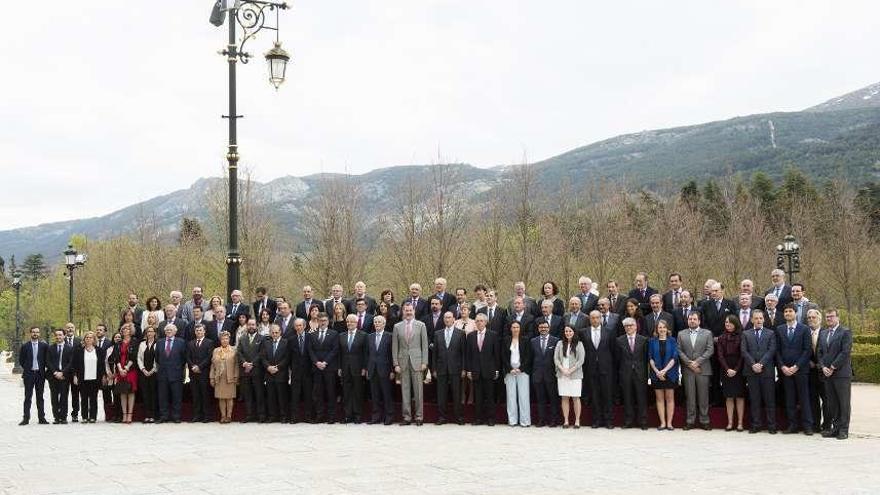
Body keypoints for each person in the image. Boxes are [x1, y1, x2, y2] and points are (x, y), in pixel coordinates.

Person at [776, 303, 813, 434]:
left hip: (801, 370)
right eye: (785, 311)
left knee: (804, 398)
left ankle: (808, 426)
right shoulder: (779, 329)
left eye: (790, 311)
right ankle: (792, 425)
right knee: (789, 399)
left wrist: (797, 366)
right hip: (785, 371)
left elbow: (807, 350)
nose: (787, 313)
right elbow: (777, 351)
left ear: (795, 313)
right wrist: (782, 366)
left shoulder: (804, 329)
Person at [393, 302, 429, 426]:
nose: (408, 312)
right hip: (403, 362)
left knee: (418, 390)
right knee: (405, 390)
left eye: (410, 310)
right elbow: (394, 347)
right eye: (406, 310)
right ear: (403, 311)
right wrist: (395, 363)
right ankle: (407, 417)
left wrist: (425, 362)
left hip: (417, 362)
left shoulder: (421, 325)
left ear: (414, 311)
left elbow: (424, 345)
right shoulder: (397, 326)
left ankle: (419, 417)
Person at [818, 308, 852, 440]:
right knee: (832, 403)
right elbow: (820, 352)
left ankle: (844, 430)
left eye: (831, 316)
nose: (829, 319)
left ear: (838, 317)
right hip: (827, 374)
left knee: (843, 402)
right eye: (827, 317)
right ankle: (835, 428)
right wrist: (823, 366)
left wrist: (832, 366)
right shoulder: (823, 333)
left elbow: (845, 352)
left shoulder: (845, 332)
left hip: (841, 373)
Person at [741, 310, 777, 434]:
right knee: (754, 399)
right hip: (751, 371)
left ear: (764, 319)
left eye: (761, 318)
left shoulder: (771, 333)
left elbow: (771, 350)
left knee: (769, 399)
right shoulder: (746, 334)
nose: (758, 320)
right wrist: (753, 364)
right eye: (756, 318)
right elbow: (744, 351)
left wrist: (761, 364)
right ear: (752, 320)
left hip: (766, 371)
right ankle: (756, 424)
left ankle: (772, 425)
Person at [677, 311, 714, 430]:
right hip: (688, 370)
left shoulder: (707, 333)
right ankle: (690, 420)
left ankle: (704, 420)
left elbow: (710, 350)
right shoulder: (681, 334)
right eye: (690, 319)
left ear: (699, 321)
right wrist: (689, 363)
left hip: (703, 369)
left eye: (694, 319)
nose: (692, 321)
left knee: (703, 397)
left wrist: (697, 362)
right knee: (690, 396)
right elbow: (679, 350)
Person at [466, 313, 500, 426]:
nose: (479, 323)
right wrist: (469, 370)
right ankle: (478, 419)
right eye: (477, 321)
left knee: (489, 396)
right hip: (475, 371)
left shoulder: (493, 335)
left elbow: (496, 354)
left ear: (486, 322)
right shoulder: (470, 336)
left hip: (489, 370)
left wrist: (496, 370)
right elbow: (468, 355)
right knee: (478, 397)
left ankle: (491, 419)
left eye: (481, 321)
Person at [583, 310, 615, 428]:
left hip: (606, 368)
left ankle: (608, 421)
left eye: (597, 318)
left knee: (607, 395)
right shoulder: (584, 332)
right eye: (592, 318)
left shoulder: (609, 332)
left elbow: (613, 351)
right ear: (589, 319)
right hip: (590, 368)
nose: (595, 320)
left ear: (601, 318)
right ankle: (596, 420)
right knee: (594, 395)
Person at [433, 312, 466, 425]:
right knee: (441, 394)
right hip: (441, 368)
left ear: (454, 319)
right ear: (443, 319)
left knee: (456, 394)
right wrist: (434, 369)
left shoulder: (461, 333)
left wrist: (463, 368)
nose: (447, 319)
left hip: (456, 368)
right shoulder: (438, 333)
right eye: (445, 317)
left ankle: (458, 417)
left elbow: (463, 353)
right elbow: (435, 354)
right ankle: (442, 417)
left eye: (449, 317)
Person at [617, 317, 649, 429]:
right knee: (627, 397)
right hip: (625, 373)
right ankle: (628, 421)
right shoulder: (619, 340)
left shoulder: (643, 340)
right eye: (626, 326)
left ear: (635, 326)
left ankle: (643, 422)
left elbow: (646, 358)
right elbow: (618, 359)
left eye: (631, 325)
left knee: (641, 397)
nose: (629, 327)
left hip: (640, 373)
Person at [648, 319, 679, 430]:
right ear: (657, 329)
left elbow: (674, 358)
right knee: (659, 399)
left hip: (670, 373)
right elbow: (650, 358)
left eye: (664, 327)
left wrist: (664, 371)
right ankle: (662, 423)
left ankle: (669, 423)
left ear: (667, 328)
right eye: (660, 327)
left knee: (670, 398)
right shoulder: (652, 341)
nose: (662, 329)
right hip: (656, 374)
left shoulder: (673, 340)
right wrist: (657, 371)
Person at [717, 315, 745, 431]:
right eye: (726, 322)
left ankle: (740, 423)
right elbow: (720, 355)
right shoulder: (722, 337)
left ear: (735, 323)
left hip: (739, 369)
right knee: (728, 397)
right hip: (726, 369)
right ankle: (730, 422)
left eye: (730, 322)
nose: (727, 324)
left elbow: (743, 355)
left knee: (739, 396)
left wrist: (736, 370)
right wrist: (727, 369)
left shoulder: (742, 336)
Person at [310, 313, 340, 423]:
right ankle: (320, 415)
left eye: (324, 320)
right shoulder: (312, 335)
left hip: (329, 368)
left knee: (330, 392)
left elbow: (335, 350)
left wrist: (325, 362)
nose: (322, 322)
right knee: (318, 393)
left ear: (328, 321)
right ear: (317, 321)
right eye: (320, 320)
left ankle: (331, 416)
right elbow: (310, 350)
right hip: (316, 368)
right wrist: (316, 362)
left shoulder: (334, 334)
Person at [338, 314, 368, 423]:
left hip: (358, 368)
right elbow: (339, 353)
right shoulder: (341, 335)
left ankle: (357, 415)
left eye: (352, 322)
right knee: (346, 392)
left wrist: (364, 367)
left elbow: (366, 353)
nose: (349, 324)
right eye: (348, 322)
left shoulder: (363, 335)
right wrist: (339, 367)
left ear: (356, 323)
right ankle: (347, 415)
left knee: (357, 392)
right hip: (345, 368)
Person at [155, 324, 187, 423]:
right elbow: (157, 358)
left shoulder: (181, 342)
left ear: (175, 331)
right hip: (163, 374)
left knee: (176, 396)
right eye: (167, 330)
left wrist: (177, 368)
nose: (168, 331)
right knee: (162, 396)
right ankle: (164, 416)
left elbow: (183, 358)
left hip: (176, 373)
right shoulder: (159, 342)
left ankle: (176, 416)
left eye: (171, 330)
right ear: (164, 332)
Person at [503, 320, 532, 427]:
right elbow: (503, 356)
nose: (515, 329)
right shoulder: (506, 340)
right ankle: (512, 420)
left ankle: (525, 421)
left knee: (523, 396)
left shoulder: (525, 340)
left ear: (520, 329)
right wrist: (510, 368)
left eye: (517, 327)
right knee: (511, 396)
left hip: (522, 371)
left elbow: (529, 357)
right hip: (510, 371)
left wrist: (521, 368)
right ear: (510, 329)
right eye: (513, 327)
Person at [72, 331, 106, 423]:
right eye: (87, 337)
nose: (88, 339)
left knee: (93, 398)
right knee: (83, 398)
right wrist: (75, 376)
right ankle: (84, 416)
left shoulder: (99, 351)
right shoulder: (79, 351)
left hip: (95, 378)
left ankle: (93, 416)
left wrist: (103, 376)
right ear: (84, 339)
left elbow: (102, 365)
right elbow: (74, 365)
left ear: (94, 339)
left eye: (91, 337)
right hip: (83, 378)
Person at [530, 321, 560, 427]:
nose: (543, 329)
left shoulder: (556, 341)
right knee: (540, 399)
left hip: (551, 375)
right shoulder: (533, 341)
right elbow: (530, 359)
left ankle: (554, 420)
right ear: (538, 328)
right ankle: (541, 420)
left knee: (553, 399)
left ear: (549, 328)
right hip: (537, 375)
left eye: (545, 327)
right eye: (541, 327)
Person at [554, 326, 584, 428]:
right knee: (564, 397)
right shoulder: (559, 343)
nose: (568, 333)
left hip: (575, 375)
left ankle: (577, 421)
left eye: (570, 331)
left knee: (576, 398)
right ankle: (566, 421)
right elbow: (556, 359)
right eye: (566, 331)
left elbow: (581, 360)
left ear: (574, 332)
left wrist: (571, 370)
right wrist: (562, 369)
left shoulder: (579, 344)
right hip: (562, 375)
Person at [367, 315, 395, 425]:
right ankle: (376, 416)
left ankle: (389, 416)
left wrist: (392, 370)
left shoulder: (390, 336)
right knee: (375, 395)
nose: (377, 324)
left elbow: (392, 354)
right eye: (375, 322)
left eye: (379, 322)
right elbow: (367, 354)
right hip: (373, 369)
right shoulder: (369, 337)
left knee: (387, 394)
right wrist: (367, 368)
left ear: (384, 324)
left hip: (386, 369)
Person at [237, 318, 266, 423]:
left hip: (257, 371)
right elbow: (239, 353)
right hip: (245, 371)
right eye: (249, 325)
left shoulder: (262, 338)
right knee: (247, 395)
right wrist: (244, 363)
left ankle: (261, 416)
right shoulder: (242, 338)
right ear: (247, 326)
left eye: (253, 325)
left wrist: (252, 364)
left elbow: (262, 353)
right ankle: (249, 415)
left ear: (256, 326)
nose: (251, 327)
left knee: (259, 394)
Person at [19, 326, 49, 425]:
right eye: (33, 332)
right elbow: (21, 360)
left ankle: (42, 418)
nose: (35, 334)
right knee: (28, 397)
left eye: (37, 332)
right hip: (29, 374)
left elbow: (46, 359)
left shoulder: (44, 346)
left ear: (39, 334)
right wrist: (28, 368)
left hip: (40, 375)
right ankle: (26, 418)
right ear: (30, 333)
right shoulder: (25, 346)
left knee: (40, 397)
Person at [109, 323, 138, 424]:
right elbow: (115, 357)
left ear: (131, 330)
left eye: (128, 329)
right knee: (122, 392)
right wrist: (120, 369)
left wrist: (126, 368)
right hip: (120, 370)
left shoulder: (134, 342)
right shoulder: (118, 343)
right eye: (124, 329)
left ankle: (130, 415)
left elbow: (134, 356)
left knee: (130, 392)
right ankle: (124, 414)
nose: (126, 330)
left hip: (131, 370)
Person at [805, 308, 828, 432]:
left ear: (819, 319)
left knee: (826, 400)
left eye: (814, 317)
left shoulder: (826, 332)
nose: (811, 320)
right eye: (809, 318)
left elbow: (829, 351)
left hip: (824, 372)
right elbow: (801, 349)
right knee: (813, 400)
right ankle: (815, 425)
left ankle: (827, 425)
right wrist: (807, 361)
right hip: (809, 372)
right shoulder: (804, 332)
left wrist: (820, 364)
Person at [262, 324, 290, 423]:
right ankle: (272, 416)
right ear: (270, 333)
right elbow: (263, 358)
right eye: (272, 332)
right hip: (269, 374)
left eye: (276, 332)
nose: (274, 334)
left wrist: (278, 367)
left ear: (280, 332)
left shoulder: (286, 342)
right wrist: (268, 367)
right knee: (271, 397)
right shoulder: (266, 343)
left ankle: (283, 416)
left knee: (282, 397)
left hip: (281, 374)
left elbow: (287, 358)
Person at [187, 324, 214, 423]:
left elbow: (209, 357)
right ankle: (197, 415)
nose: (198, 332)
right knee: (195, 395)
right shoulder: (190, 343)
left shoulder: (209, 342)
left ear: (204, 331)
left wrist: (199, 367)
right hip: (193, 373)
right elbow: (188, 357)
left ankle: (207, 415)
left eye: (200, 330)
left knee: (205, 394)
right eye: (197, 330)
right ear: (195, 332)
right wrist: (193, 366)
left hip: (204, 372)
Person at [287, 318, 312, 424]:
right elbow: (289, 357)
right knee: (295, 396)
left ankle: (309, 417)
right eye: (296, 325)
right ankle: (294, 417)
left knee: (308, 395)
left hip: (308, 372)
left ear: (304, 326)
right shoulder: (291, 339)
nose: (298, 327)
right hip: (296, 372)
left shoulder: (311, 337)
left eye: (300, 325)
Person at [211, 331, 240, 424]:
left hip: (230, 377)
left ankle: (229, 416)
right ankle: (223, 416)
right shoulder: (216, 350)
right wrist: (211, 377)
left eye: (226, 338)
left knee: (229, 397)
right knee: (221, 397)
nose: (224, 340)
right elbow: (212, 365)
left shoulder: (234, 350)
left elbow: (236, 364)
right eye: (222, 338)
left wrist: (236, 376)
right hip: (219, 377)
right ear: (220, 340)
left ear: (229, 339)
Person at [47, 329, 73, 424]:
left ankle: (63, 417)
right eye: (56, 335)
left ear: (64, 336)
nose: (58, 337)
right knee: (54, 397)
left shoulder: (69, 348)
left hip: (65, 376)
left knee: (64, 397)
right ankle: (56, 417)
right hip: (53, 376)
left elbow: (70, 362)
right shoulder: (50, 348)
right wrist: (55, 373)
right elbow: (48, 361)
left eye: (60, 335)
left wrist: (62, 373)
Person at [137, 326, 159, 423]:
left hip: (154, 373)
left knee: (153, 394)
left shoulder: (158, 344)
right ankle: (147, 415)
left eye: (151, 331)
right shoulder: (142, 344)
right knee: (145, 394)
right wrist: (143, 369)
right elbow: (139, 358)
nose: (149, 333)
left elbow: (158, 358)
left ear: (155, 333)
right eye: (147, 332)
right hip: (144, 373)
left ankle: (154, 415)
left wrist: (153, 370)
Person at [62, 322, 82, 423]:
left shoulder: (79, 341)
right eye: (68, 328)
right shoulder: (61, 340)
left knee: (75, 394)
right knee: (64, 394)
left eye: (72, 328)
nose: (70, 329)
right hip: (65, 373)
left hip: (76, 373)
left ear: (75, 329)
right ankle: (63, 414)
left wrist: (77, 374)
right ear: (65, 329)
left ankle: (75, 414)